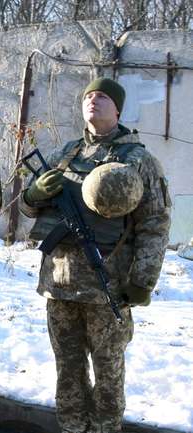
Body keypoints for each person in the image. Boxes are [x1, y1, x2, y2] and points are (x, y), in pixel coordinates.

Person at [20, 77, 171, 433]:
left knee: (107, 368)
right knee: (67, 368)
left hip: (108, 287)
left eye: (102, 96)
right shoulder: (64, 153)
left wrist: (141, 282)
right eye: (89, 96)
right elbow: (30, 211)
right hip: (59, 283)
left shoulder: (140, 160)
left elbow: (155, 225)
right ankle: (72, 427)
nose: (93, 101)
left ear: (118, 108)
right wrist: (33, 193)